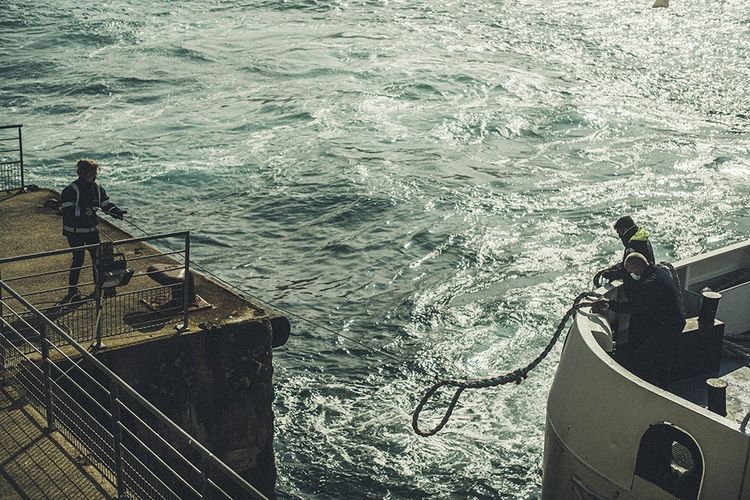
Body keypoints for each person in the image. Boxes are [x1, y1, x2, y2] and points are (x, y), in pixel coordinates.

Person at [592, 252, 685, 387]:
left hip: (669, 325)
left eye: (631, 272)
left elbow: (635, 307)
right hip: (671, 321)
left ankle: (652, 389)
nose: (631, 275)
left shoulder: (650, 284)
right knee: (662, 357)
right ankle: (661, 384)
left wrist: (609, 304)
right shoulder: (659, 272)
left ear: (638, 269)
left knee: (642, 357)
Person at [60, 159, 127, 302]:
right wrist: (86, 211)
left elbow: (105, 204)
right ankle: (72, 290)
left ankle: (99, 287)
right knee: (78, 259)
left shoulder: (97, 188)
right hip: (75, 232)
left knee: (97, 260)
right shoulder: (71, 190)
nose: (95, 176)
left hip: (91, 230)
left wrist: (116, 212)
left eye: (96, 173)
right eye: (93, 173)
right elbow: (68, 210)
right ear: (84, 173)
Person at [599, 215, 655, 282]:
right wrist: (614, 267)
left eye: (619, 233)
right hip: (649, 277)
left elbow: (627, 271)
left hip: (640, 284)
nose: (620, 236)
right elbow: (630, 263)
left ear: (625, 230)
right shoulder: (642, 238)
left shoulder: (632, 246)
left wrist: (609, 274)